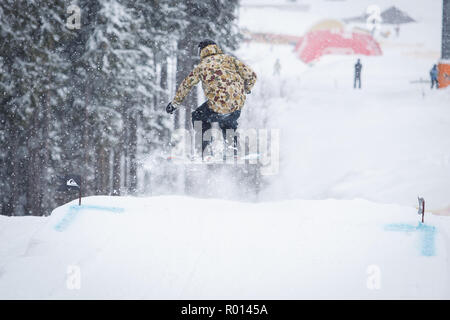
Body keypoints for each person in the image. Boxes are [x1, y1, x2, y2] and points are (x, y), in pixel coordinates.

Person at [166, 39, 257, 159]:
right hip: (236, 106)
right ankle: (232, 149)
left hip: (217, 106)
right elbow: (252, 76)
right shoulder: (230, 59)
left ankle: (205, 147)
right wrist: (246, 89)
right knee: (228, 122)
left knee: (198, 116)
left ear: (201, 51)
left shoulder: (202, 66)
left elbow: (186, 85)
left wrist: (174, 104)